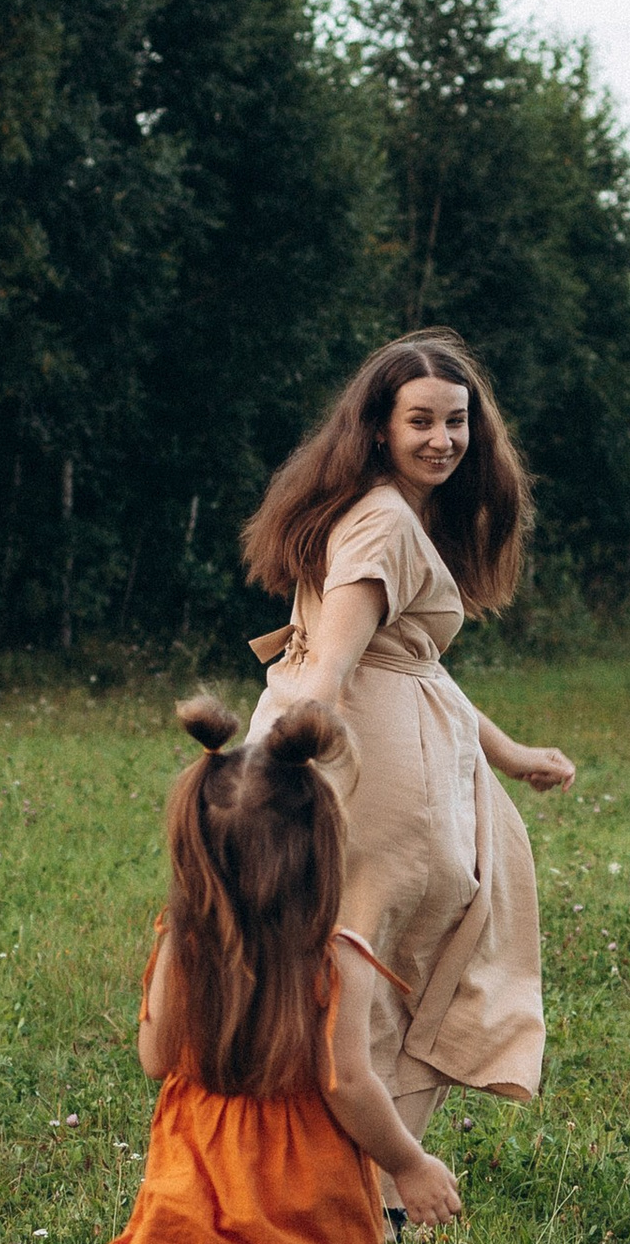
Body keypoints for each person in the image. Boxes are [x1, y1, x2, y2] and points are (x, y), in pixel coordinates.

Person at [70, 695, 464, 1244]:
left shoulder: (184, 943)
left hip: (200, 1166)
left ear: (195, 850)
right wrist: (409, 1163)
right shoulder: (338, 956)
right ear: (323, 848)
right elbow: (350, 1084)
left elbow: (156, 1057)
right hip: (304, 1178)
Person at [241, 334, 575, 1191]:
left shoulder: (384, 509)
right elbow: (334, 665)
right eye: (420, 420)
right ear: (378, 428)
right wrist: (290, 764)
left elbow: (412, 663)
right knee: (397, 970)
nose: (442, 439)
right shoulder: (385, 519)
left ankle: (340, 1185)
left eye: (456, 421)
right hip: (381, 781)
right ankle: (371, 1194)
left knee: (365, 968)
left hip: (384, 758)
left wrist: (508, 754)